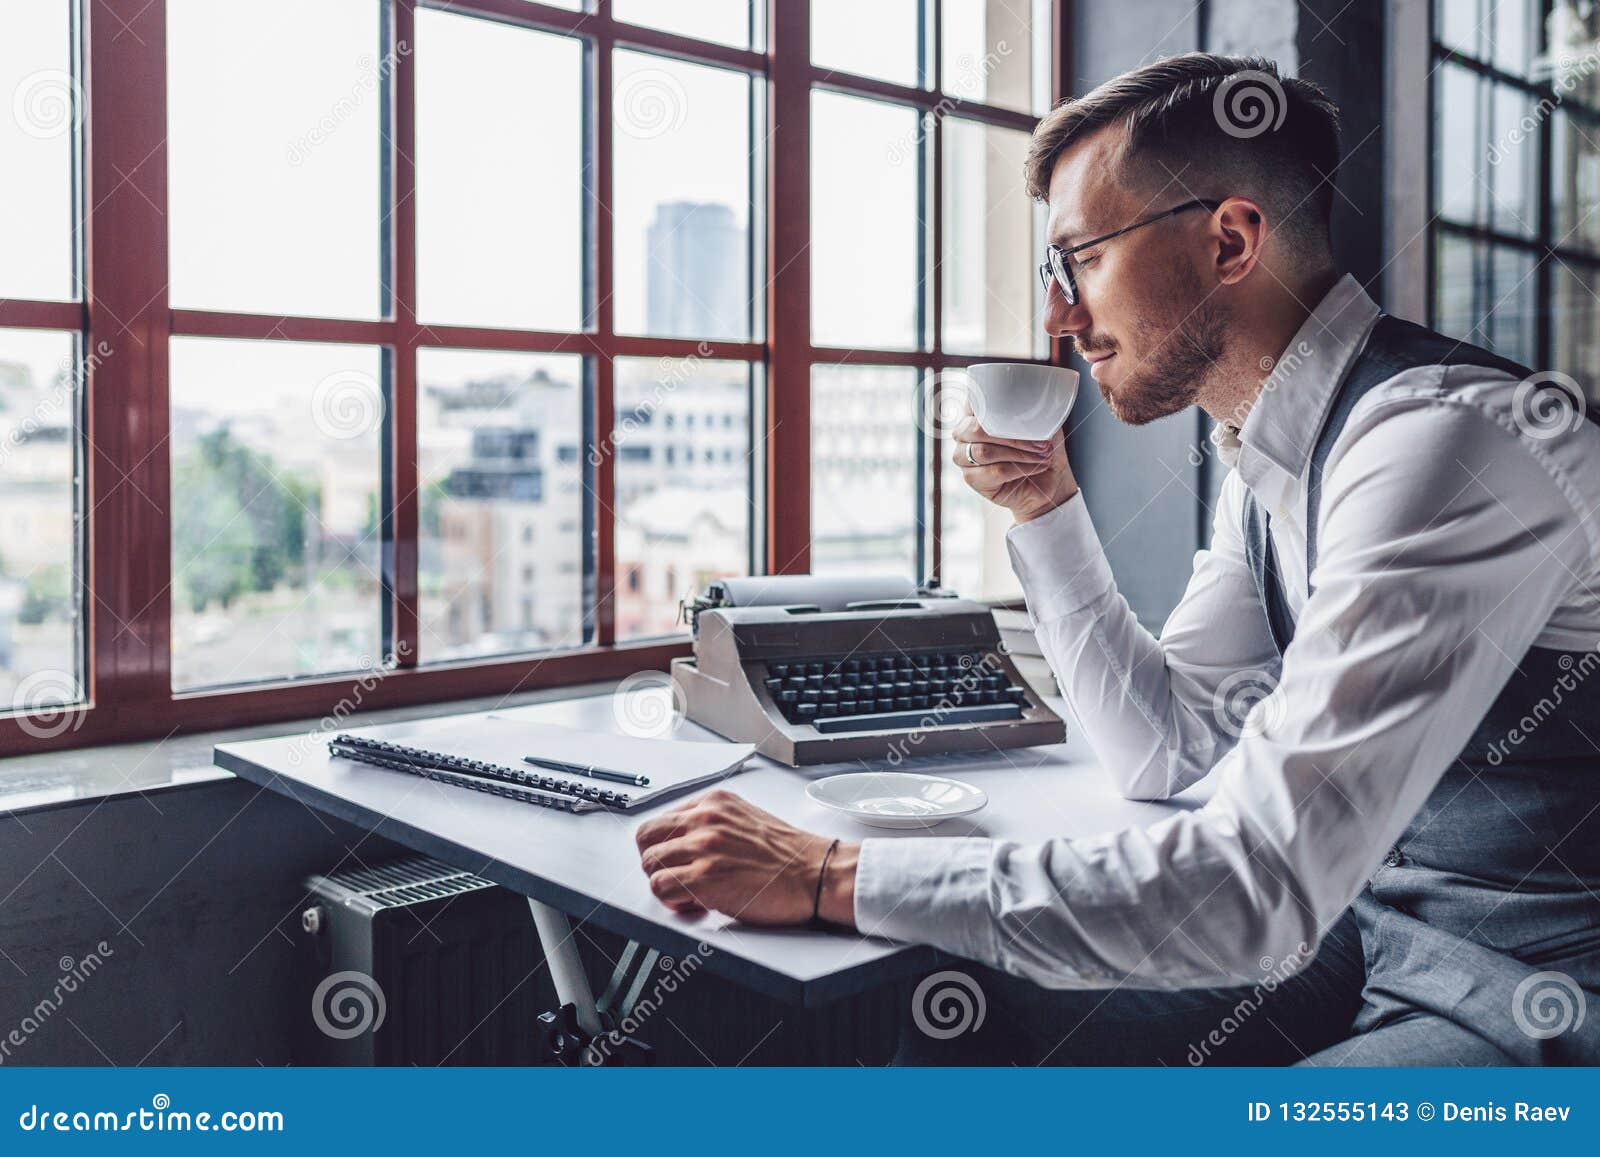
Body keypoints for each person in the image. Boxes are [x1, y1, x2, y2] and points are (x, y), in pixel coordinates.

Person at [635, 53, 1600, 1065]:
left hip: (1531, 993)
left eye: (1080, 259)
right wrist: (1045, 507)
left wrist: (836, 872)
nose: (1057, 315)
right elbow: (1166, 747)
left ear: (1229, 239)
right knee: (965, 1001)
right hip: (1360, 937)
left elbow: (1258, 877)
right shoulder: (1272, 462)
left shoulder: (1441, 445)